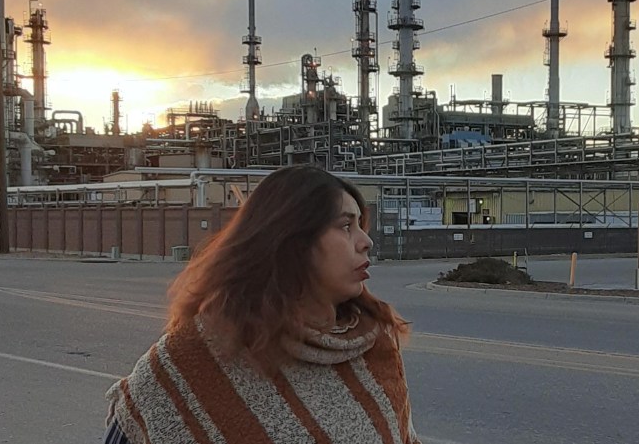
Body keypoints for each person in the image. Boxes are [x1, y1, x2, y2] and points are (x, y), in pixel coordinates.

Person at [104, 165, 421, 444]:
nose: (366, 241)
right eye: (346, 225)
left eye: (361, 225)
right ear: (291, 240)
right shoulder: (191, 364)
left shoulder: (375, 344)